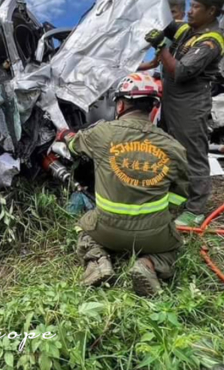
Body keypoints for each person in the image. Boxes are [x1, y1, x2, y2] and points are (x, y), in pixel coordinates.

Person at [54, 73, 189, 296]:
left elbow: (74, 146)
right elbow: (180, 195)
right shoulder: (174, 147)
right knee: (174, 247)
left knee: (83, 226)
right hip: (153, 236)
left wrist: (65, 134)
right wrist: (165, 214)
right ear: (152, 107)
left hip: (107, 230)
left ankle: (98, 259)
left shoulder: (102, 133)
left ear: (121, 104)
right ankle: (149, 264)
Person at [144, 0, 224, 227]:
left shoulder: (210, 41)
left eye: (196, 7)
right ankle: (177, 195)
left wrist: (161, 46)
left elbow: (179, 72)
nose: (190, 12)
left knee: (192, 153)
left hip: (190, 102)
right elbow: (164, 21)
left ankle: (196, 208)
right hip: (171, 99)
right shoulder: (187, 29)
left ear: (211, 11)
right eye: (190, 6)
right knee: (170, 149)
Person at [138, 0, 187, 71]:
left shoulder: (189, 33)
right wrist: (127, 67)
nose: (170, 16)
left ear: (182, 15)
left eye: (173, 12)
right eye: (167, 12)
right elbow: (153, 64)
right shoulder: (165, 37)